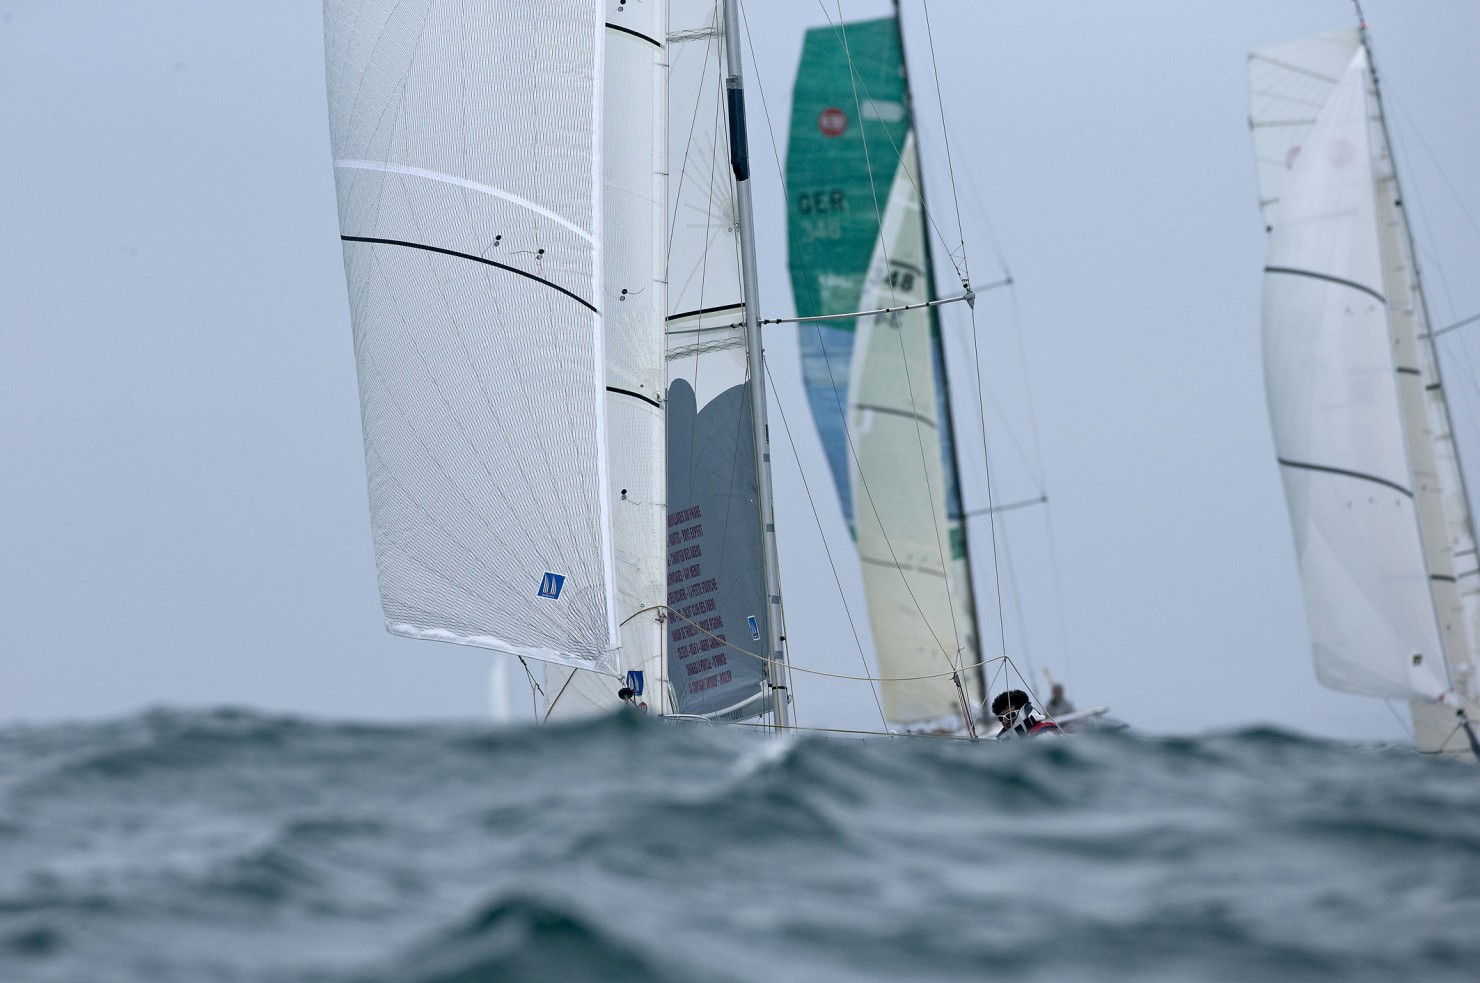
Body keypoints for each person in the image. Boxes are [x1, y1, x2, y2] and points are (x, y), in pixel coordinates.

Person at [991, 689, 1059, 739]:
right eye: (1001, 718)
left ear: (1023, 712)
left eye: (1010, 715)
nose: (1005, 722)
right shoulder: (1006, 744)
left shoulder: (1044, 737)